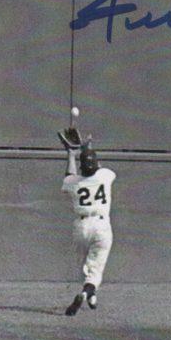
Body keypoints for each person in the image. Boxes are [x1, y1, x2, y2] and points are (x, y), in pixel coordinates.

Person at [60, 134, 116, 316]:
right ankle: (86, 294)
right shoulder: (106, 176)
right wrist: (87, 146)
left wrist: (70, 154)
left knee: (85, 267)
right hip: (101, 226)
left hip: (81, 227)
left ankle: (91, 296)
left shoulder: (73, 182)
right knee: (95, 269)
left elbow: (70, 174)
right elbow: (96, 166)